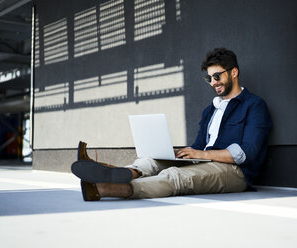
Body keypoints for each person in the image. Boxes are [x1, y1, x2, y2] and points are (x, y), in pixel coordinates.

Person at [71, 48, 272, 201]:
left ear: (234, 72)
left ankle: (102, 188)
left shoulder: (254, 105)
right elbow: (199, 147)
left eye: (217, 76)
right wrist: (183, 154)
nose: (213, 82)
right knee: (151, 161)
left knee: (175, 175)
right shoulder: (211, 110)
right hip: (206, 162)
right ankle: (120, 172)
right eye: (209, 78)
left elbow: (246, 153)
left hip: (237, 174)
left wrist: (201, 155)